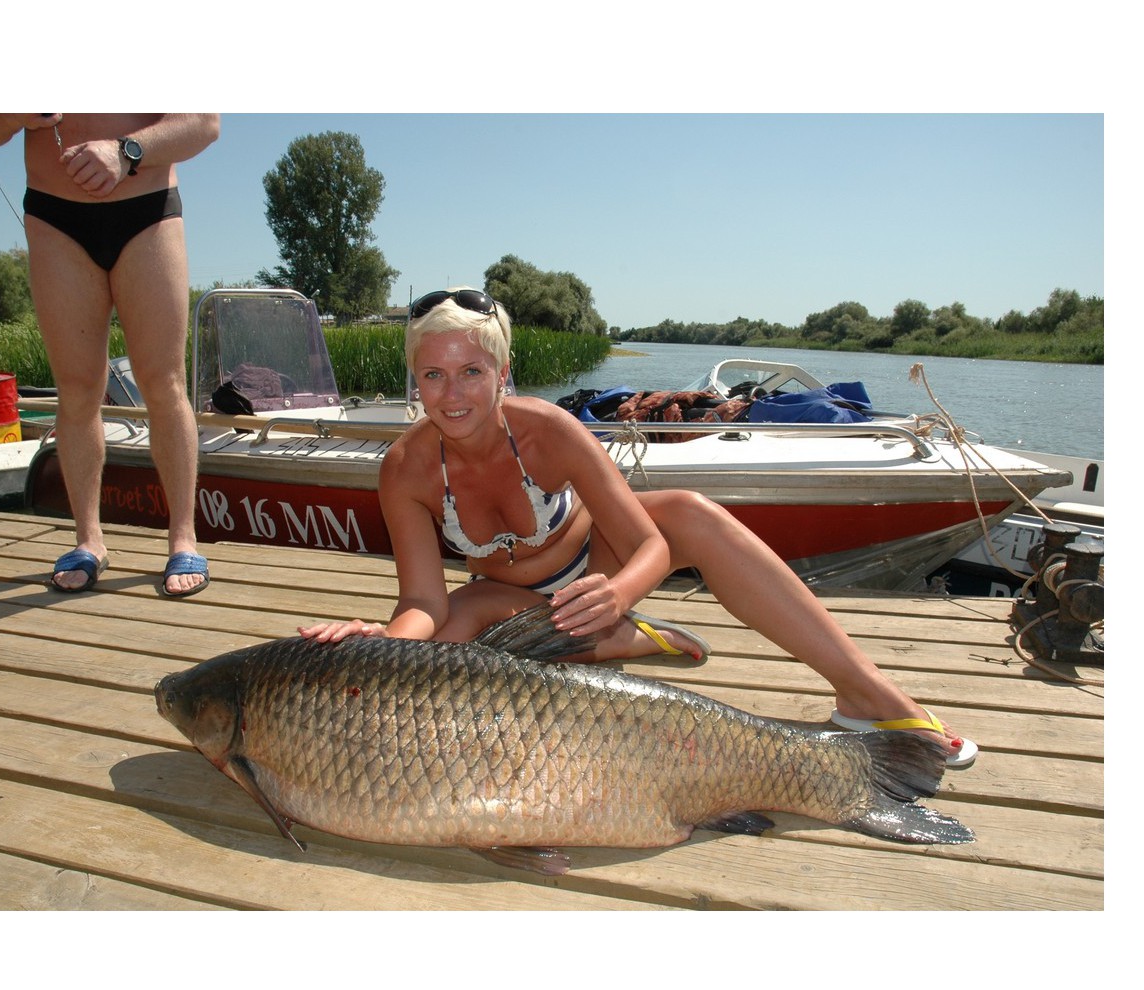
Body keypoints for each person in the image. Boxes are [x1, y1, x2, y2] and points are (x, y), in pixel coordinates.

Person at [299, 288, 977, 768]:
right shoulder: (406, 469)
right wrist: (382, 644)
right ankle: (628, 639)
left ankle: (868, 694)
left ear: (503, 374)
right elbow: (423, 600)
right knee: (442, 647)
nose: (453, 394)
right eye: (434, 375)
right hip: (506, 601)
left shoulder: (548, 431)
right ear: (415, 380)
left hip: (598, 567)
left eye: (471, 372)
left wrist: (618, 592)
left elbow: (651, 544)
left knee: (687, 512)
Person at [0, 114, 220, 596]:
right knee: (76, 389)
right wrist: (17, 113)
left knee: (164, 383)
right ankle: (88, 540)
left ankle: (183, 537)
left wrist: (126, 152)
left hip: (148, 209)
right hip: (55, 218)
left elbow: (203, 122)